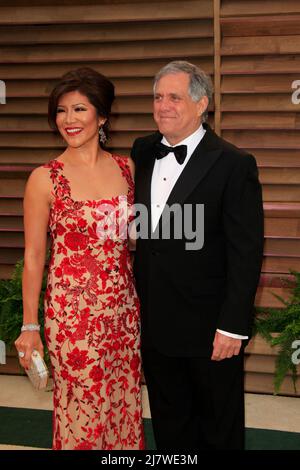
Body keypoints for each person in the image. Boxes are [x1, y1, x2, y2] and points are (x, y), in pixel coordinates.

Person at [131, 61, 264, 450]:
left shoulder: (234, 163)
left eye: (174, 96)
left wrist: (233, 326)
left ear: (201, 103)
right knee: (171, 429)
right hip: (156, 325)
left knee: (218, 430)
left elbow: (246, 251)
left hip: (210, 331)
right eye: (158, 97)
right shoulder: (142, 150)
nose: (163, 105)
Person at [15, 67, 144, 450]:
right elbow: (35, 254)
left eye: (79, 109)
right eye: (60, 111)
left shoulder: (127, 168)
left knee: (122, 406)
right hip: (73, 318)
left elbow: (130, 240)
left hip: (123, 313)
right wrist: (30, 326)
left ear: (102, 115)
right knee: (83, 414)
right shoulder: (44, 178)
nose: (68, 120)